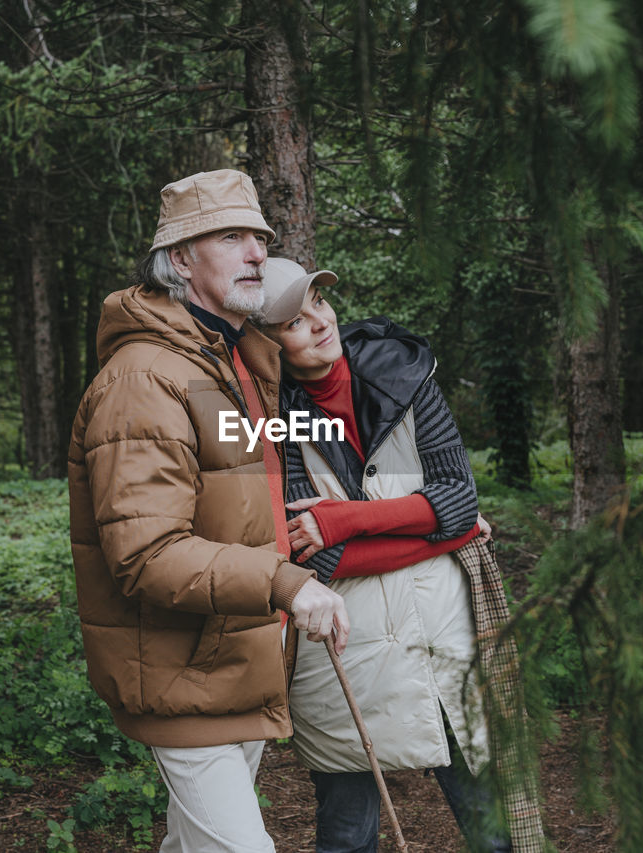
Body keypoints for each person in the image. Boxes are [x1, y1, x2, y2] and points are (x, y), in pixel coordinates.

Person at [67, 171, 350, 853]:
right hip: (180, 669)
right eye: (231, 236)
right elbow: (147, 554)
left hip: (235, 657)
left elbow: (234, 483)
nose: (257, 251)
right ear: (180, 261)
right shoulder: (143, 379)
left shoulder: (234, 360)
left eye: (260, 236)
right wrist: (286, 583)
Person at [256, 257, 516, 853]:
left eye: (319, 303)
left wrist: (348, 519)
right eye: (294, 321)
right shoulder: (275, 418)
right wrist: (444, 534)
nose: (319, 322)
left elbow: (457, 493)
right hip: (344, 647)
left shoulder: (404, 373)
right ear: (270, 345)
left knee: (483, 810)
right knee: (348, 827)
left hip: (438, 628)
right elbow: (312, 561)